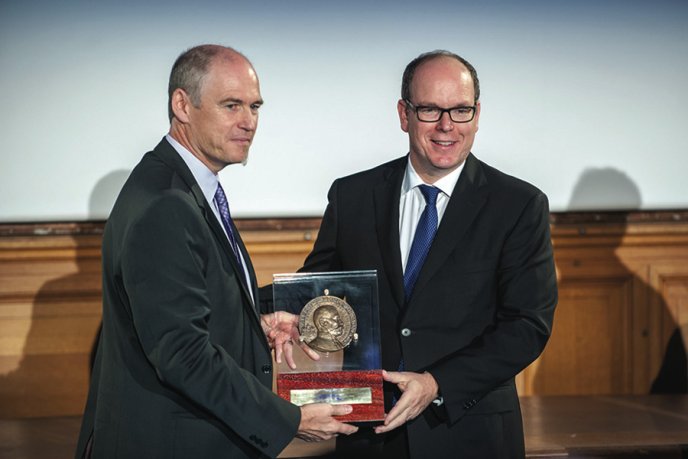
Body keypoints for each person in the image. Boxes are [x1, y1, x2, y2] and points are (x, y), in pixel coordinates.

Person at [75, 44, 357, 459]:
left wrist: (252, 324)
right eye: (231, 106)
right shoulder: (166, 204)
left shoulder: (180, 187)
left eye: (255, 107)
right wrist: (289, 420)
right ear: (182, 105)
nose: (249, 122)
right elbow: (182, 353)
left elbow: (185, 309)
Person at [298, 50, 558, 458]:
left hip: (469, 432)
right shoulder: (353, 196)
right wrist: (252, 307)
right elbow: (315, 291)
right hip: (371, 434)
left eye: (460, 111)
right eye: (430, 110)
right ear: (404, 114)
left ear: (477, 114)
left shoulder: (518, 204)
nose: (446, 126)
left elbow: (527, 325)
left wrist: (437, 383)